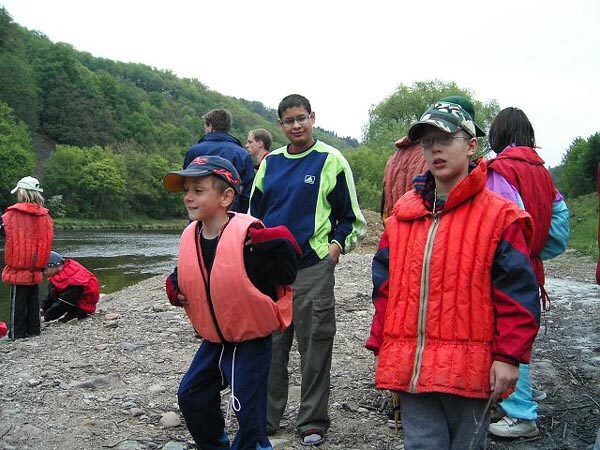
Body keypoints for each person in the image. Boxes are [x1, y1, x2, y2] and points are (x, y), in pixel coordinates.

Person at [366, 100, 541, 450]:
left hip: (470, 370)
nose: (435, 149)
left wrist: (508, 357)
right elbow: (385, 287)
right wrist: (381, 343)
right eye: (428, 141)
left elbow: (518, 293)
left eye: (446, 138)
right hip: (414, 365)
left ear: (472, 145)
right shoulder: (403, 217)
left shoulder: (499, 216)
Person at [249, 94, 366, 446]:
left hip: (313, 266)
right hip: (272, 272)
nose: (296, 126)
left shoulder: (331, 159)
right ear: (280, 125)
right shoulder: (270, 164)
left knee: (315, 345)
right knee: (271, 346)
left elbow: (352, 219)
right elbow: (252, 215)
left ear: (312, 117)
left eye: (302, 118)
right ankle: (267, 418)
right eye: (288, 121)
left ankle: (312, 420)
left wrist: (335, 248)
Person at [163, 155, 301, 450]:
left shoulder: (250, 238)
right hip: (215, 337)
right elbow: (188, 272)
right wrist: (174, 287)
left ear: (226, 197)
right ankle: (215, 444)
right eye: (186, 190)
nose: (188, 197)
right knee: (191, 393)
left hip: (250, 337)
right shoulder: (192, 235)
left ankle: (255, 446)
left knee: (246, 407)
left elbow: (286, 272)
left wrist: (277, 242)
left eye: (198, 190)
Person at [486, 107, 570, 439]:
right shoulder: (543, 172)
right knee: (521, 333)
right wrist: (535, 253)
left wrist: (510, 260)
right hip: (531, 269)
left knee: (506, 338)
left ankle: (521, 414)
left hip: (508, 271)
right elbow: (561, 229)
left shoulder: (500, 170)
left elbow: (503, 224)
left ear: (497, 136)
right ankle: (523, 395)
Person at [2, 176, 53, 340]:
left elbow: (5, 232)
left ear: (22, 192)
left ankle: (17, 334)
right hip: (36, 267)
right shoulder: (45, 216)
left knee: (18, 303)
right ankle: (34, 330)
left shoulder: (11, 215)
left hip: (19, 267)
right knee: (32, 301)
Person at [183, 109, 255, 212]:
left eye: (206, 126)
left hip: (199, 214)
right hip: (231, 214)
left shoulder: (194, 151)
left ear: (210, 127)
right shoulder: (242, 154)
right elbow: (248, 191)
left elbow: (187, 182)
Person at [41, 251, 100, 322]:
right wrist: (44, 309)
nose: (43, 272)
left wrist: (47, 317)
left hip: (83, 306)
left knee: (64, 318)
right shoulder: (64, 271)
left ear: (53, 266)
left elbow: (65, 301)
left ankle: (77, 313)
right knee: (52, 285)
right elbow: (52, 294)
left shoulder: (74, 280)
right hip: (73, 299)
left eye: (44, 268)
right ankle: (46, 310)